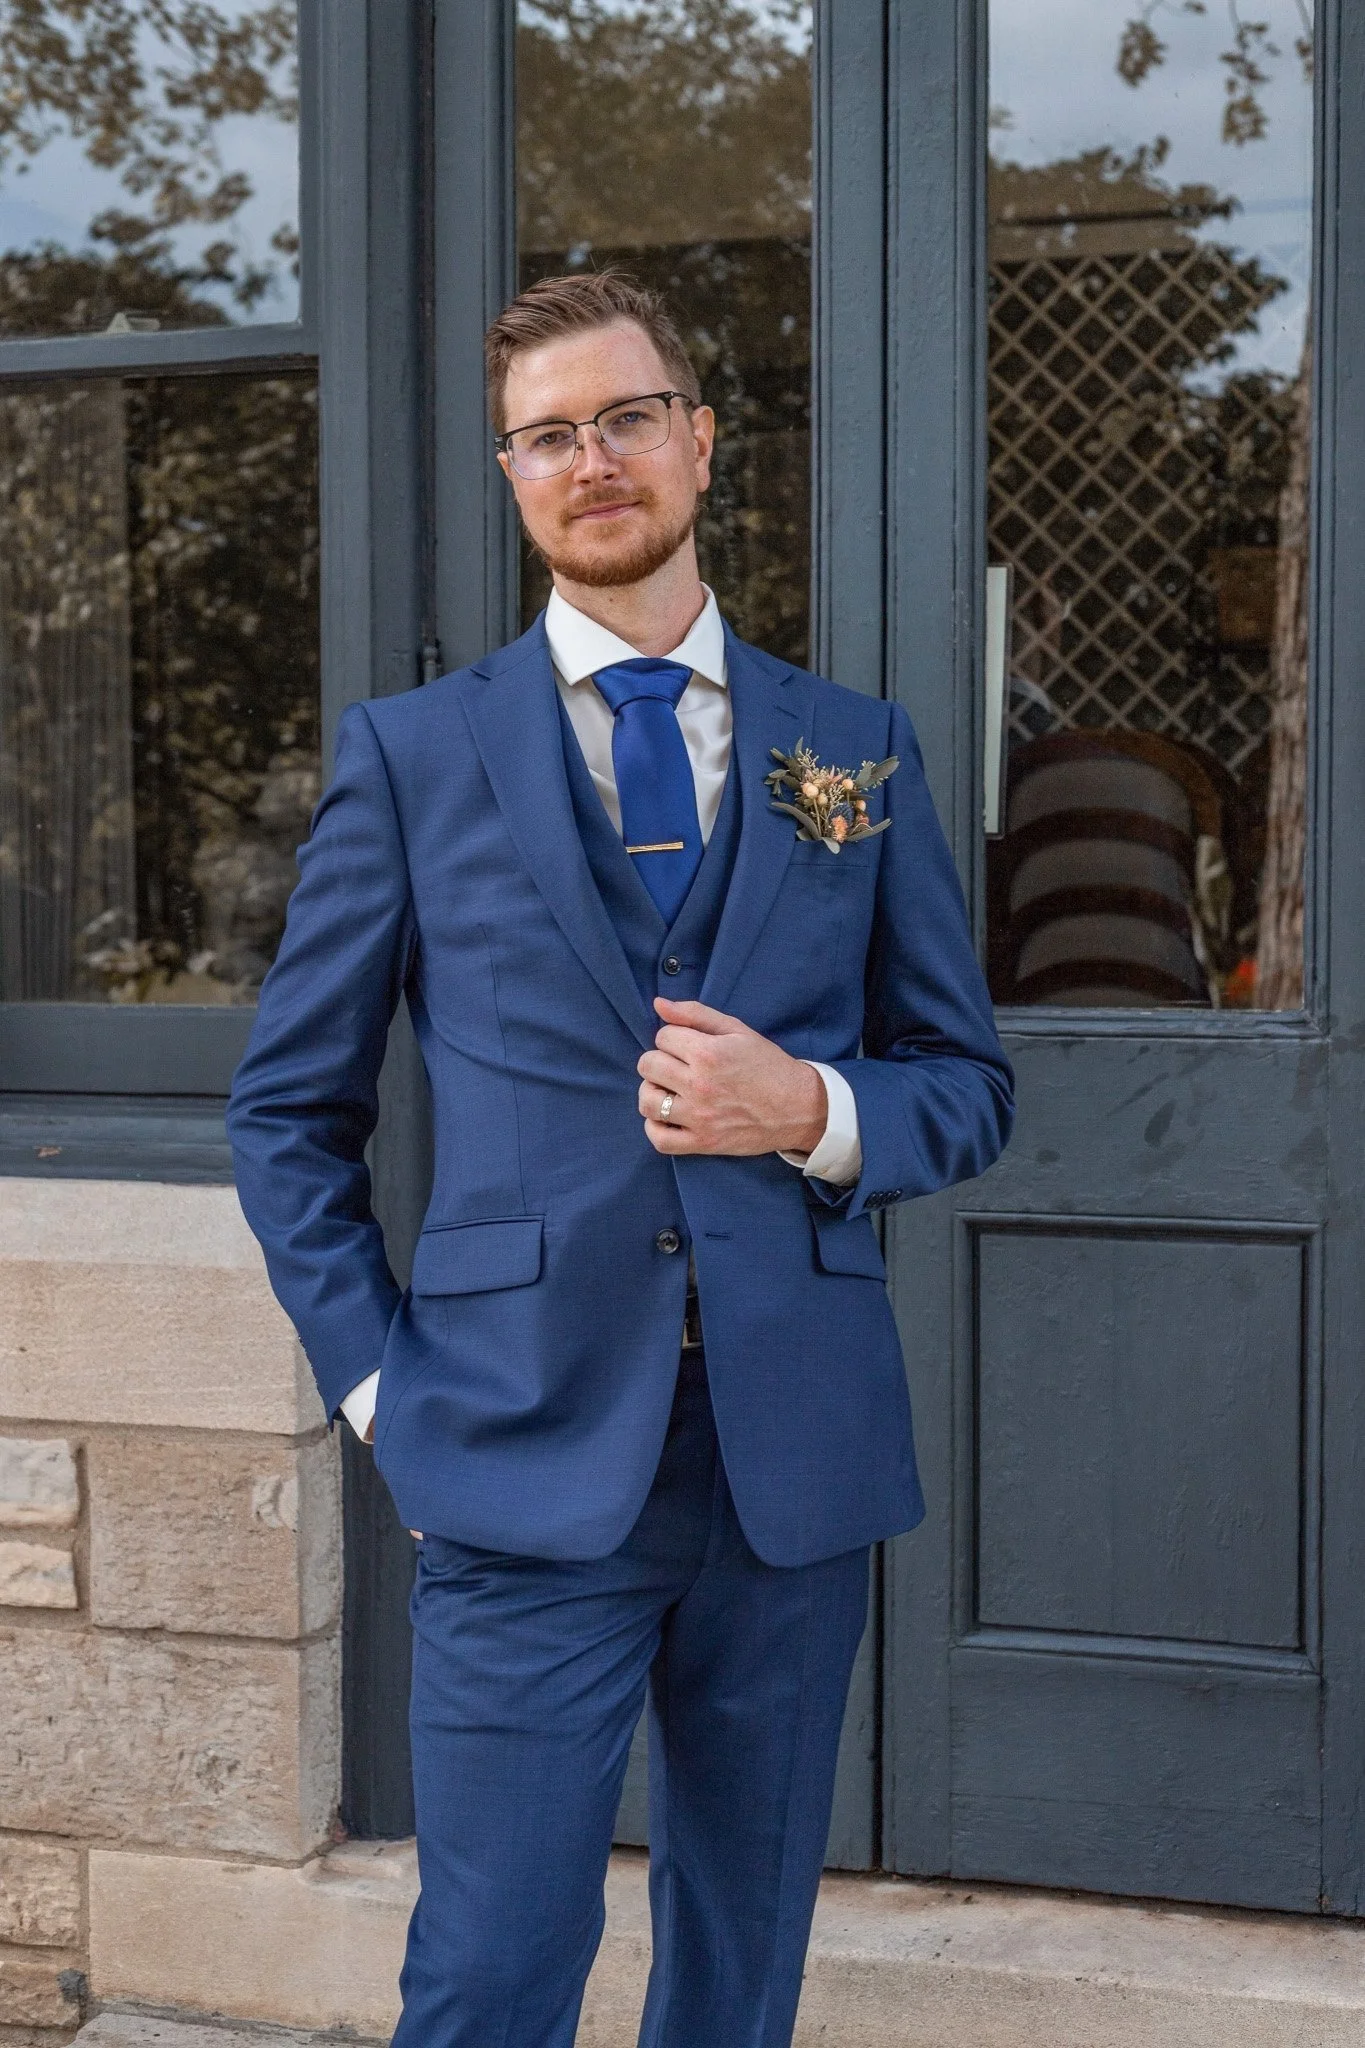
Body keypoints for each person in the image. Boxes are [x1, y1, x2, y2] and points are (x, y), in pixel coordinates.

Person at [227, 269, 1014, 2048]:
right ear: (513, 473)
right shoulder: (413, 759)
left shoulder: (854, 751)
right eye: (549, 434)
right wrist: (385, 1391)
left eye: (628, 418)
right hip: (513, 1444)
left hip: (789, 1460)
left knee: (738, 1971)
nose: (594, 461)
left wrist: (808, 1111)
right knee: (491, 1970)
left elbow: (966, 1084)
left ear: (700, 440)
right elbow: (287, 1112)